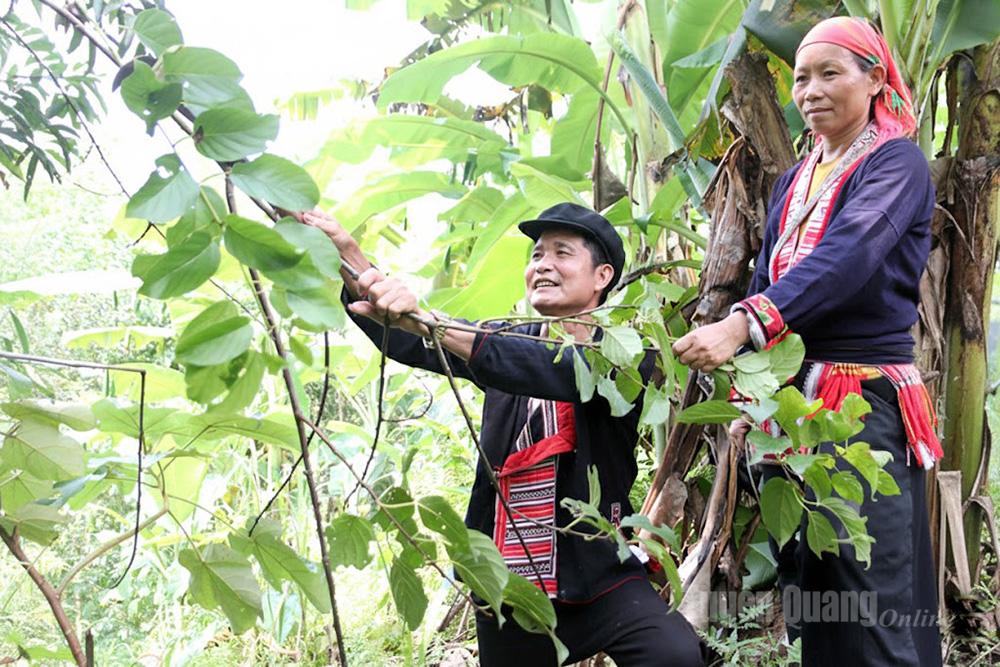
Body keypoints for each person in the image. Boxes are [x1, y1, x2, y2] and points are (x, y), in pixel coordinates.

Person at [300, 202, 705, 666]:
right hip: (510, 587)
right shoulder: (503, 338)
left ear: (602, 276)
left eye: (562, 252)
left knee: (673, 654)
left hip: (599, 574)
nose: (543, 265)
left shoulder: (626, 355)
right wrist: (346, 253)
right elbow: (413, 339)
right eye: (536, 255)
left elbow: (551, 369)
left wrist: (436, 324)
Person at [671, 16, 942, 667]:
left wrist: (742, 323)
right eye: (801, 77)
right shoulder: (796, 180)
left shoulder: (896, 163)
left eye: (831, 73)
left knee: (873, 593)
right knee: (814, 591)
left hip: (858, 406)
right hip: (789, 413)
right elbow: (771, 274)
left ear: (875, 78)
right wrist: (752, 396)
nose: (811, 89)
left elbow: (849, 257)